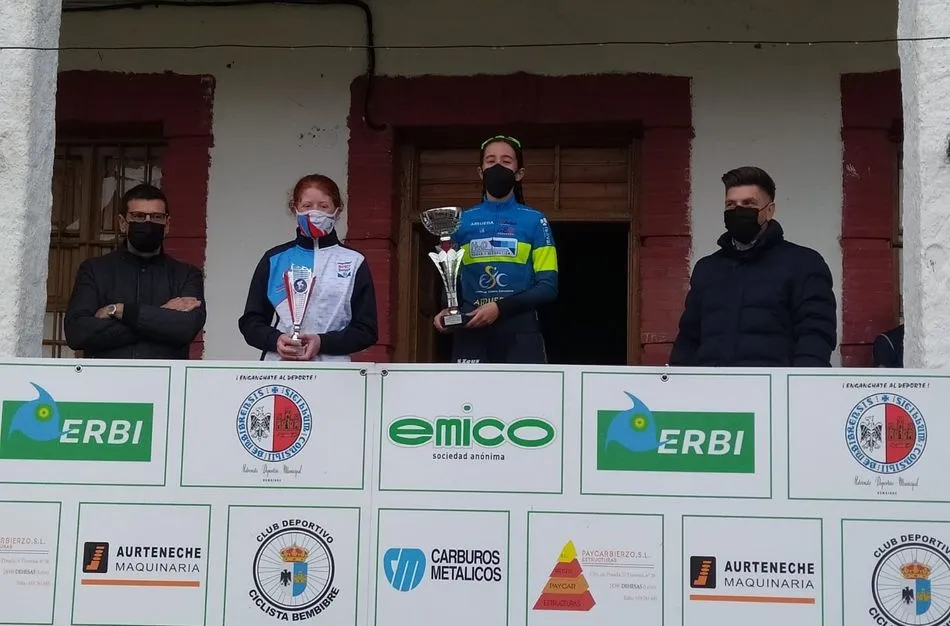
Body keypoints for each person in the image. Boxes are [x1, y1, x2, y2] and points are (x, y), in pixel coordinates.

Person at [669, 166, 837, 367]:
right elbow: (689, 337)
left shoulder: (804, 264)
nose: (738, 210)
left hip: (774, 392)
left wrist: (800, 386)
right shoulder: (707, 269)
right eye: (730, 205)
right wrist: (677, 382)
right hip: (711, 390)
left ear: (769, 210)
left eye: (748, 203)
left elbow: (816, 332)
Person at [432, 135, 558, 363]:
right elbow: (451, 279)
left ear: (519, 174)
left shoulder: (535, 221)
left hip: (520, 334)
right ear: (480, 172)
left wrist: (500, 307)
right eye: (490, 161)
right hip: (471, 331)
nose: (497, 166)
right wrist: (447, 310)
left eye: (506, 161)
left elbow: (548, 286)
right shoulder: (460, 222)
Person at [239, 174, 378, 361]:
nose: (315, 212)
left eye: (323, 206)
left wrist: (323, 342)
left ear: (337, 211)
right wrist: (275, 339)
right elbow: (251, 322)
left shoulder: (354, 261)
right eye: (307, 206)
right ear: (295, 208)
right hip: (280, 366)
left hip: (333, 370)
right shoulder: (274, 259)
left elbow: (366, 330)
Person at [64, 183, 206, 359]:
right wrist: (159, 315)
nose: (147, 223)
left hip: (163, 383)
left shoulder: (186, 275)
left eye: (156, 217)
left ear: (167, 224)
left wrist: (121, 311)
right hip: (106, 382)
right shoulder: (94, 270)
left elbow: (185, 328)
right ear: (123, 223)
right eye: (138, 216)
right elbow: (77, 333)